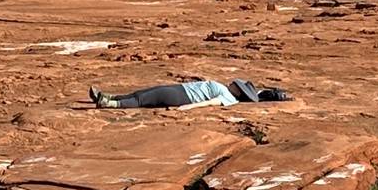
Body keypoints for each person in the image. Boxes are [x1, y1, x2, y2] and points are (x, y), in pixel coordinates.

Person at [89, 79, 293, 109]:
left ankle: (110, 104)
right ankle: (109, 97)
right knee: (141, 92)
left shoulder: (229, 99)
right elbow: (258, 94)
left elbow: (209, 103)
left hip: (182, 97)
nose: (233, 83)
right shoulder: (232, 92)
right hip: (181, 88)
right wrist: (271, 94)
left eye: (237, 85)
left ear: (239, 92)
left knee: (143, 99)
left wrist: (187, 108)